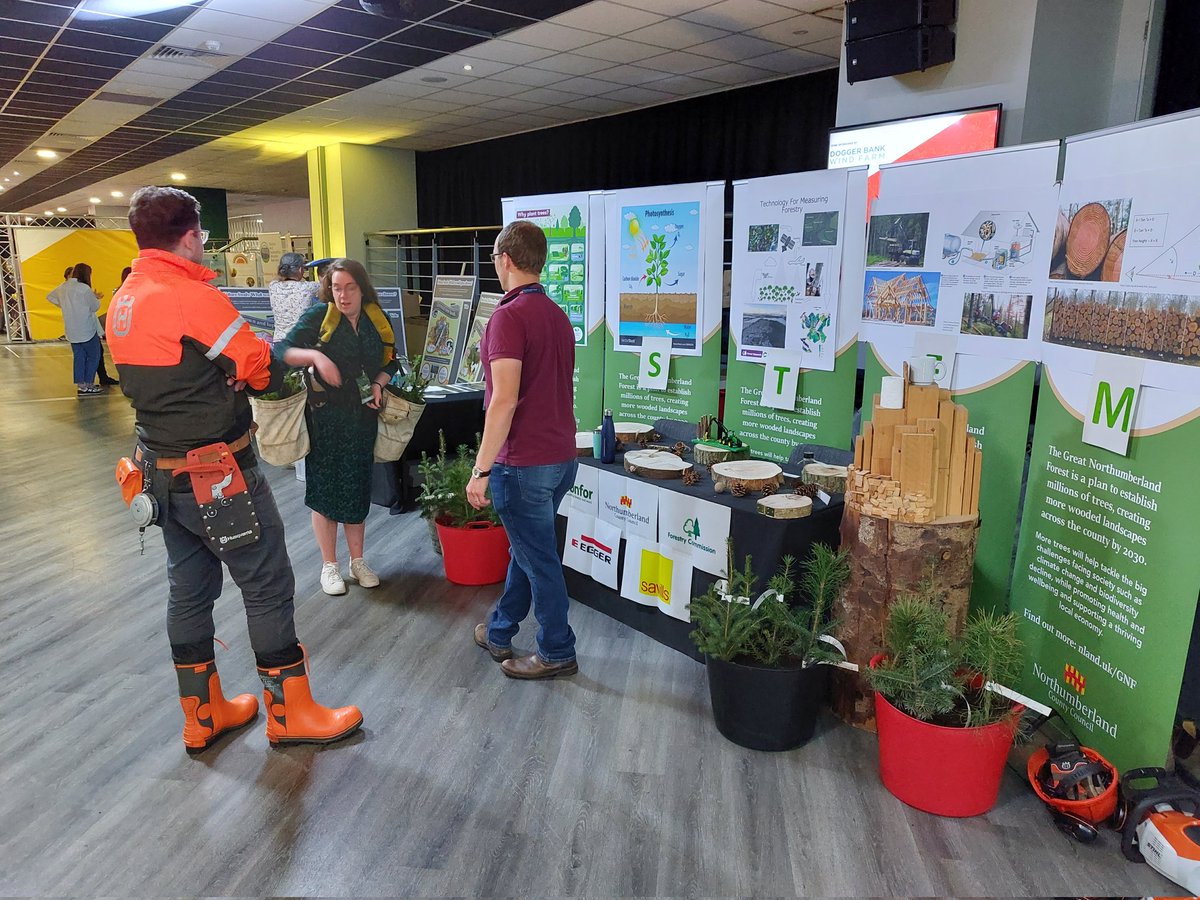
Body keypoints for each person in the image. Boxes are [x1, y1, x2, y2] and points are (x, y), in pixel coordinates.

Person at [106, 186, 362, 754]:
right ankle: (290, 714)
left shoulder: (124, 299)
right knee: (267, 583)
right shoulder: (191, 297)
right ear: (190, 237)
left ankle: (203, 715)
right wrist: (245, 369)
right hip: (217, 475)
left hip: (157, 472)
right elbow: (261, 371)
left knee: (188, 588)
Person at [467, 220, 579, 679]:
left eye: (495, 258)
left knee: (539, 560)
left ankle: (557, 650)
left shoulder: (507, 317)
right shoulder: (556, 315)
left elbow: (503, 400)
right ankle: (500, 631)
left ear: (506, 260)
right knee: (526, 550)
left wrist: (481, 469)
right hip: (562, 458)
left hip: (523, 463)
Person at [276, 258, 398, 596]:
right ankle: (329, 565)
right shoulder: (320, 316)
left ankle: (357, 561)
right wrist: (316, 357)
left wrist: (379, 383)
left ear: (362, 288)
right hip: (325, 418)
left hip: (363, 418)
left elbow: (391, 361)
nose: (343, 295)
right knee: (325, 491)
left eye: (350, 288)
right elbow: (282, 350)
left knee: (357, 487)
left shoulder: (377, 319)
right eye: (336, 288)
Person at [47, 262, 102, 395]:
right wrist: (96, 298)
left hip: (71, 329)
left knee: (79, 357)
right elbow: (95, 306)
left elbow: (50, 297)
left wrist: (63, 305)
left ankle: (81, 385)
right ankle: (89, 383)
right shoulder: (84, 288)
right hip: (86, 328)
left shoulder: (63, 287)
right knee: (94, 355)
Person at [268, 252, 318, 342]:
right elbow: (326, 287)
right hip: (300, 341)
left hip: (279, 341)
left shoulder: (273, 286)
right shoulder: (309, 287)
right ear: (300, 270)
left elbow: (278, 278)